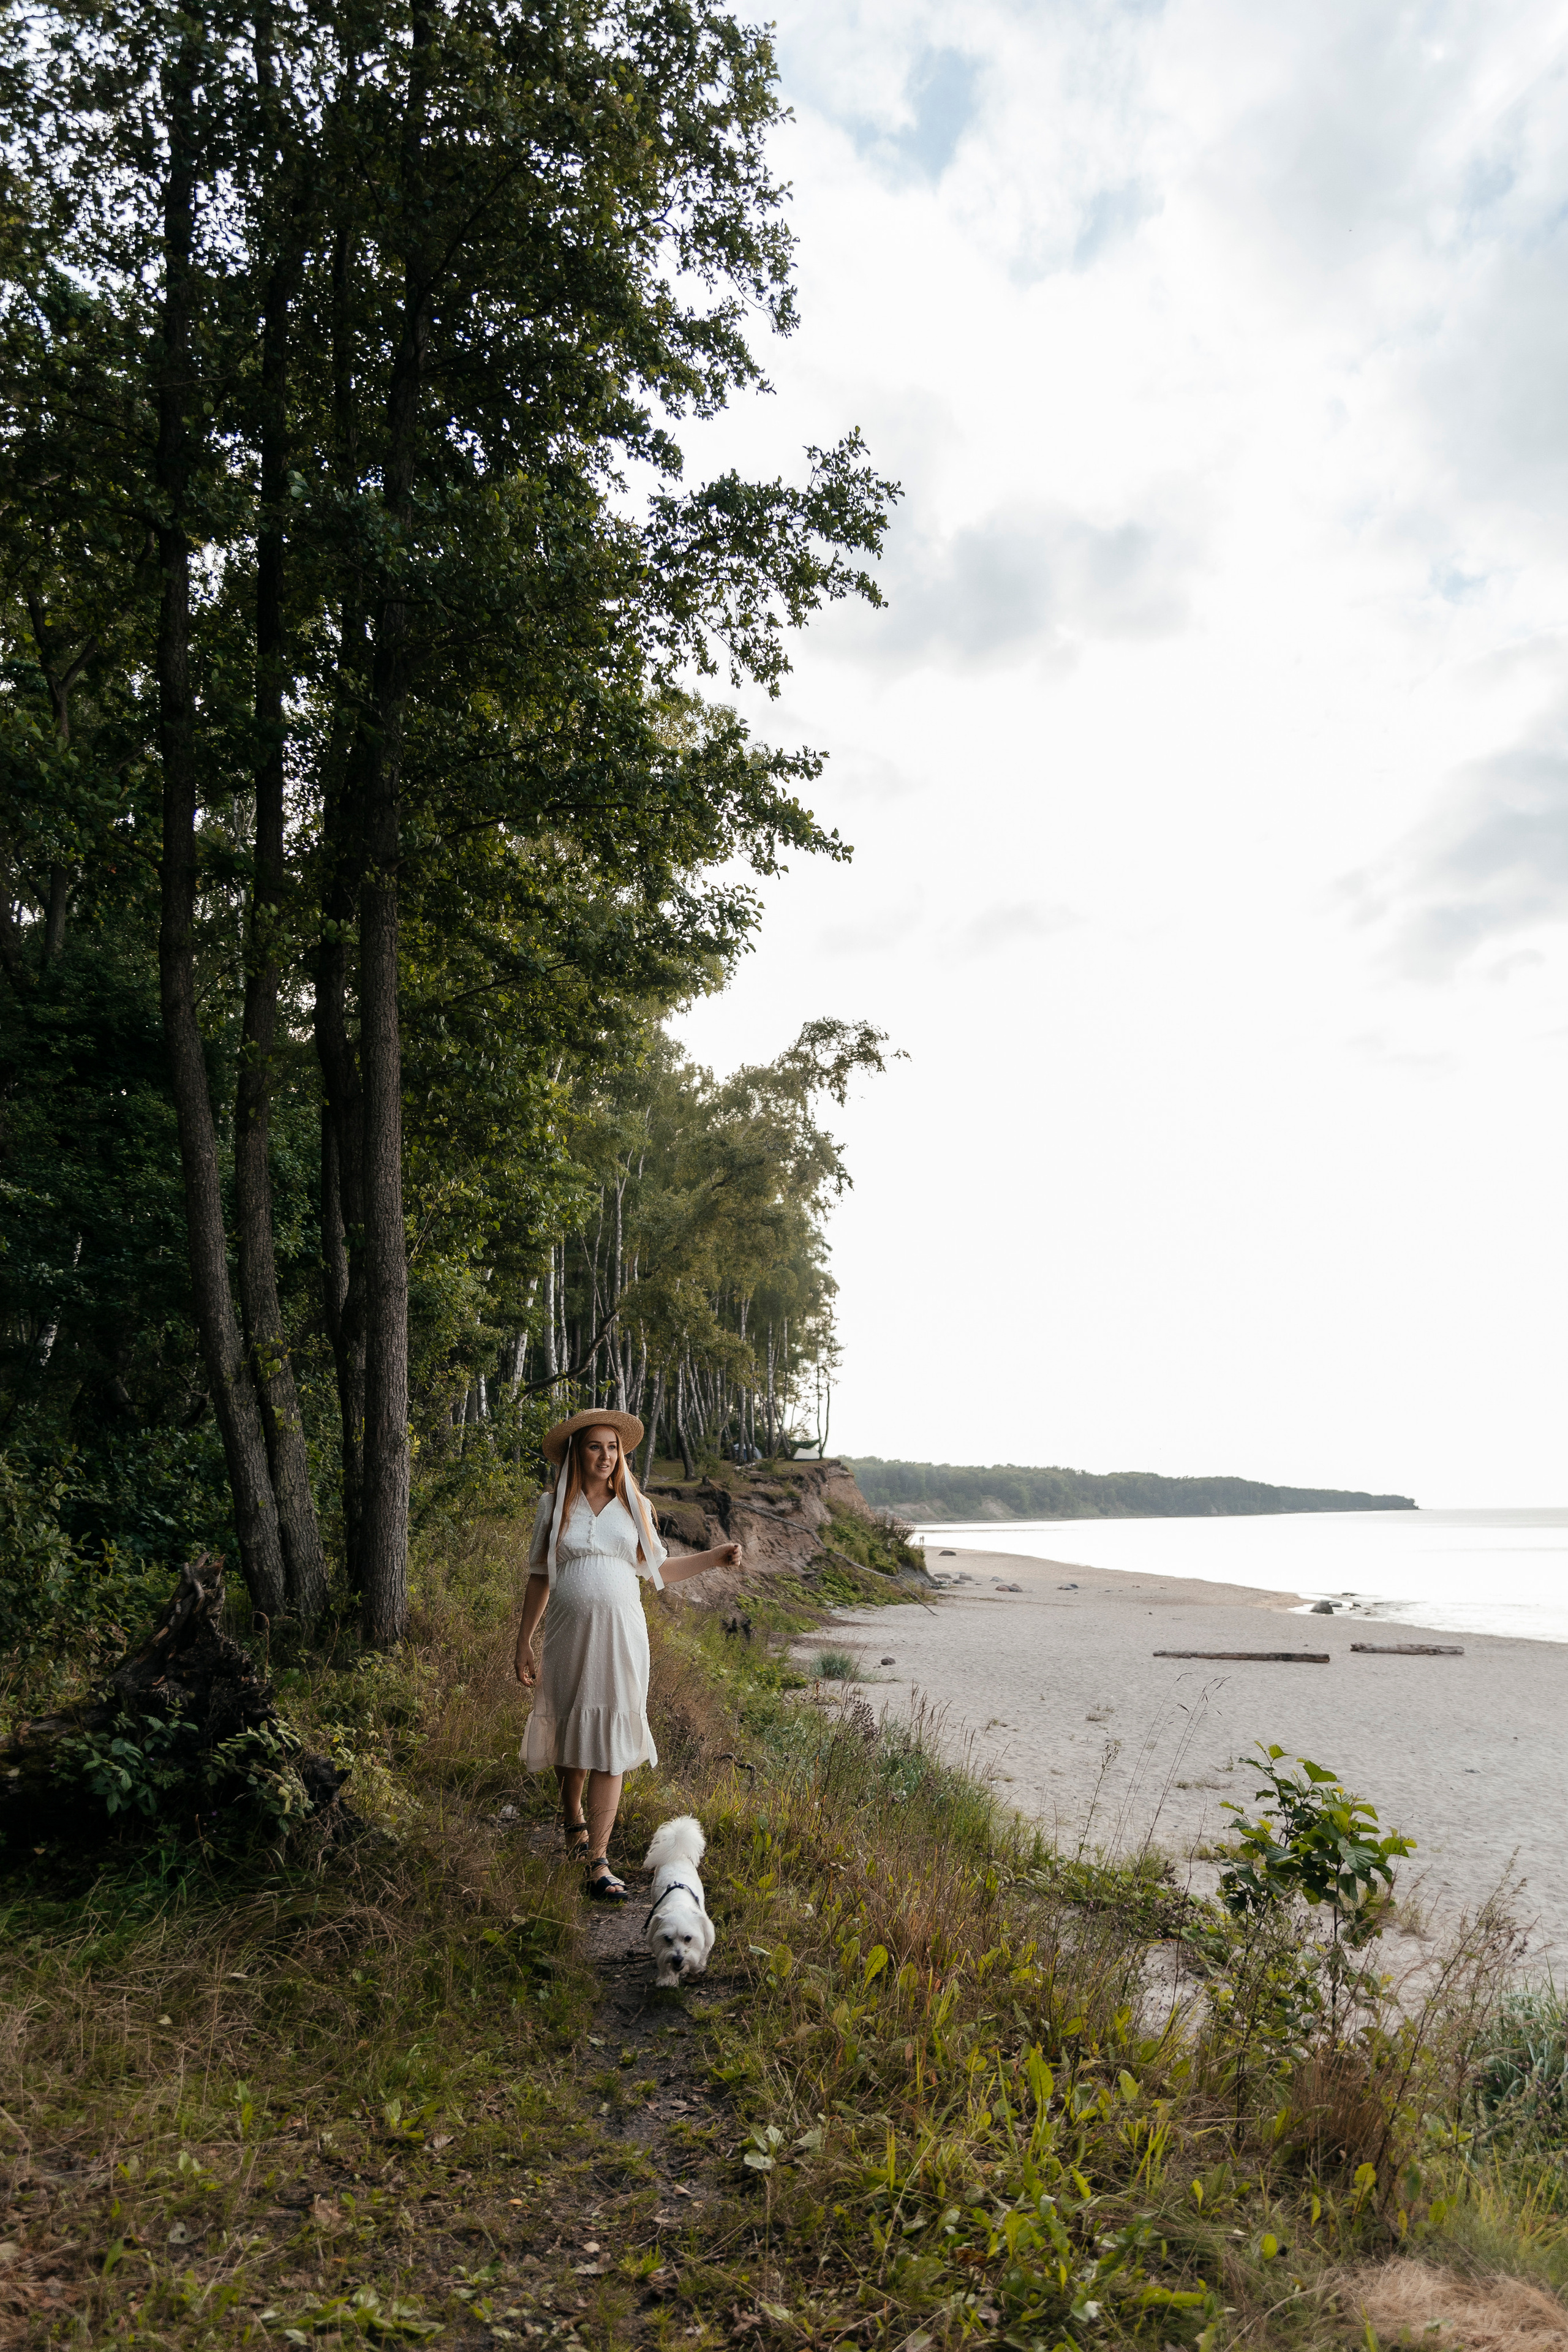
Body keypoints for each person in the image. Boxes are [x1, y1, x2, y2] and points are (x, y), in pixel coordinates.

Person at [514, 1409, 741, 1899]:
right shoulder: (554, 1505)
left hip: (621, 1637)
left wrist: (714, 1557)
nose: (606, 1455)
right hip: (566, 1635)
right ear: (578, 1452)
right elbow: (539, 1575)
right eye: (596, 1446)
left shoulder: (634, 1505)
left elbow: (659, 1571)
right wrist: (523, 1640)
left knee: (611, 1743)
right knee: (572, 1731)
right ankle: (572, 1819)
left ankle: (598, 1860)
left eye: (613, 1448)